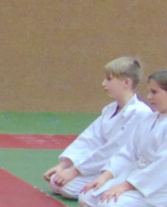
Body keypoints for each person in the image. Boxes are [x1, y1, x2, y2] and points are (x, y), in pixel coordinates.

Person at [44, 57, 150, 198]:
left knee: (68, 188)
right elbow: (90, 139)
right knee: (55, 181)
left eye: (109, 79)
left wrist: (75, 171)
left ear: (126, 82)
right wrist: (64, 165)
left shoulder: (140, 113)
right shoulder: (110, 109)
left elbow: (113, 149)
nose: (103, 83)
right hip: (100, 165)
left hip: (121, 170)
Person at [77, 70, 167, 207]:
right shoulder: (149, 119)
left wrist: (126, 185)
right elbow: (128, 152)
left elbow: (162, 167)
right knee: (87, 199)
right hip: (138, 177)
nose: (149, 97)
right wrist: (106, 177)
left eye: (154, 92)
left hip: (158, 186)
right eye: (149, 92)